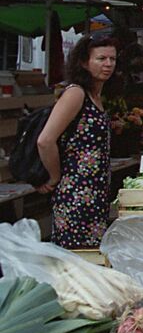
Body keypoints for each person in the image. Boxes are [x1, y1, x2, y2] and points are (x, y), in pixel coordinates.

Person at [37, 34, 118, 249]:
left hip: (95, 195)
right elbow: (45, 140)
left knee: (91, 259)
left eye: (112, 59)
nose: (108, 64)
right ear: (84, 62)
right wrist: (55, 177)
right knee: (77, 260)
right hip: (76, 196)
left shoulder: (96, 96)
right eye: (101, 59)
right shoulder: (76, 94)